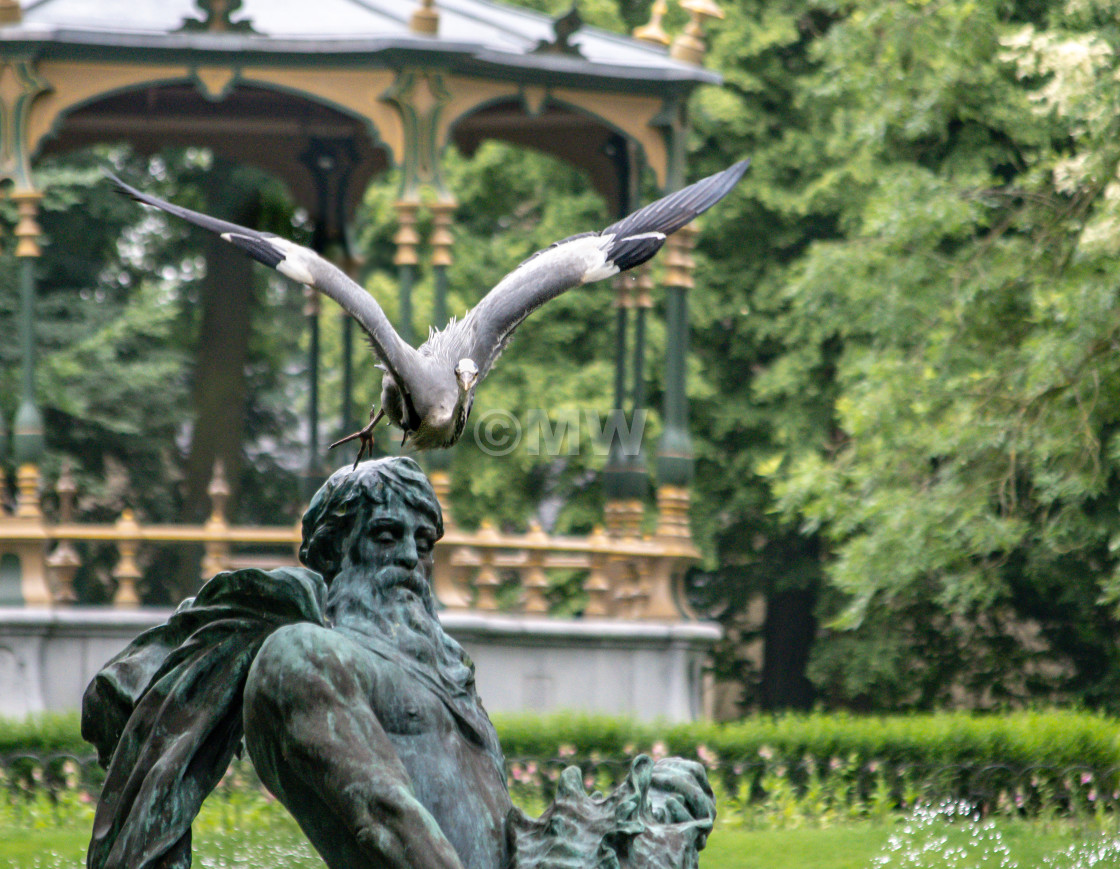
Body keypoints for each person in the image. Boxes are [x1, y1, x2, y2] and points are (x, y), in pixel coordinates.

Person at [84, 458, 714, 869]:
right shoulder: (303, 656)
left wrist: (605, 822)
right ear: (334, 553)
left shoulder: (442, 671)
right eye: (387, 536)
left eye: (423, 541)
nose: (411, 557)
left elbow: (493, 832)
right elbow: (383, 817)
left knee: (667, 793)